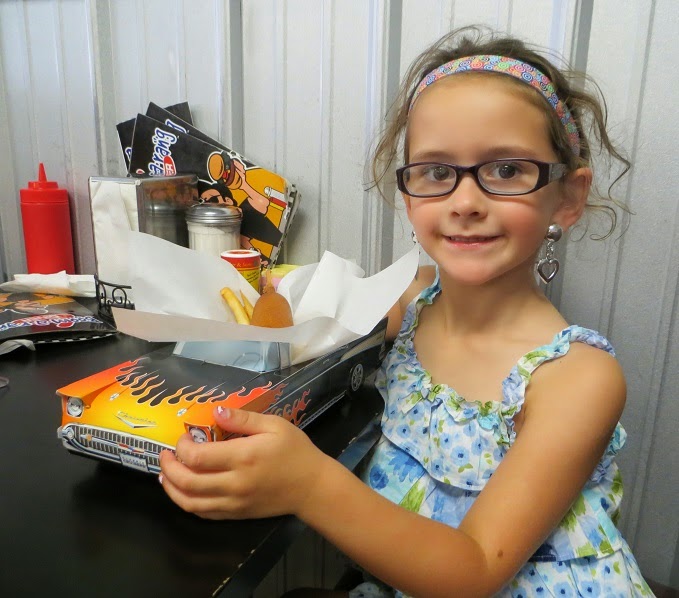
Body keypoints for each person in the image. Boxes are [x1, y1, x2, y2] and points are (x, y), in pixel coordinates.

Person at [158, 26, 653, 597]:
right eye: (437, 173)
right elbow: (305, 314)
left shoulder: (577, 379)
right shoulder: (411, 303)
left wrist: (309, 484)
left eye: (506, 170)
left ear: (567, 197)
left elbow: (473, 571)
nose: (465, 202)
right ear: (409, 194)